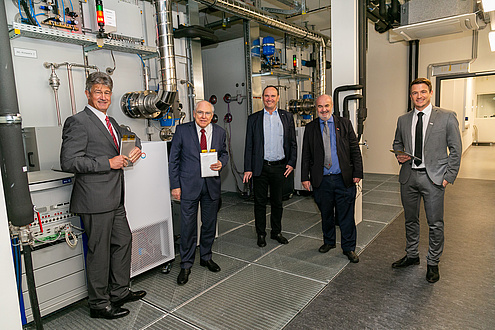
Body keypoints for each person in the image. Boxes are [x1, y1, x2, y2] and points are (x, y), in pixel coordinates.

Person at [60, 72, 146, 319]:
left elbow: (131, 137)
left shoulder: (112, 122)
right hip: (94, 200)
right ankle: (98, 304)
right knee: (99, 252)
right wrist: (108, 162)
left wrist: (134, 148)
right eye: (98, 92)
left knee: (123, 241)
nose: (103, 97)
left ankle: (119, 292)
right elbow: (69, 161)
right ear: (88, 93)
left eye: (107, 93)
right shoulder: (78, 121)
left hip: (115, 199)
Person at [392, 77, 462, 283]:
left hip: (434, 179)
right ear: (411, 95)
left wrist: (448, 177)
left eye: (423, 92)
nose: (419, 96)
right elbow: (397, 142)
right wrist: (400, 154)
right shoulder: (403, 119)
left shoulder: (447, 117)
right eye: (415, 93)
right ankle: (412, 255)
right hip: (408, 177)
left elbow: (456, 150)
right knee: (410, 220)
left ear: (430, 93)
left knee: (435, 223)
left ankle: (433, 263)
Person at [169, 100, 229, 285]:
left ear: (212, 115)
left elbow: (225, 153)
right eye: (200, 113)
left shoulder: (220, 132)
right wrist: (175, 186)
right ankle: (186, 264)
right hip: (188, 185)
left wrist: (221, 162)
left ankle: (205, 257)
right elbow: (174, 160)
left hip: (211, 185)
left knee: (209, 224)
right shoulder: (182, 131)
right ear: (194, 113)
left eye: (207, 113)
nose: (204, 117)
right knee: (188, 227)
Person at [301, 94, 363, 263]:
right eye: (320, 106)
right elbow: (306, 154)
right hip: (322, 180)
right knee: (326, 214)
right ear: (316, 108)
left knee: (346, 215)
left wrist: (358, 172)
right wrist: (304, 177)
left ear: (332, 106)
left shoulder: (344, 124)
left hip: (343, 178)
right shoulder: (311, 128)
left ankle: (349, 248)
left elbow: (354, 150)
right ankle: (329, 242)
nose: (324, 109)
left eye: (326, 106)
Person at [243, 86, 297, 247]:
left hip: (280, 167)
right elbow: (249, 145)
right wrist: (248, 168)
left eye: (273, 96)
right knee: (259, 202)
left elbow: (293, 143)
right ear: (262, 98)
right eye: (266, 96)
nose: (269, 98)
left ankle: (276, 232)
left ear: (278, 97)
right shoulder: (254, 119)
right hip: (261, 167)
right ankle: (261, 233)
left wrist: (292, 163)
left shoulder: (287, 117)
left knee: (277, 202)